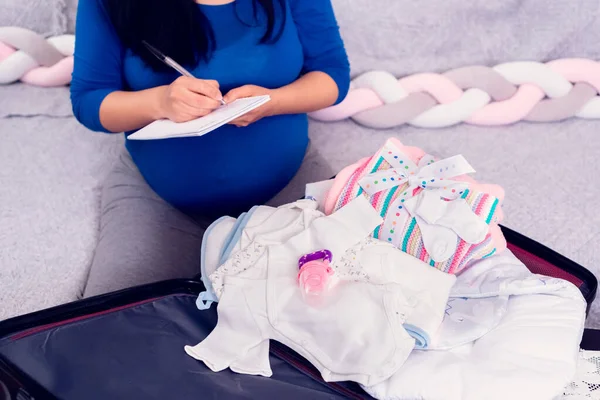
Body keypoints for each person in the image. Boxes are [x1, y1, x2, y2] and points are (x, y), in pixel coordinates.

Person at [70, 0, 350, 297]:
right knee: (110, 326)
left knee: (348, 306)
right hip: (158, 199)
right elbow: (88, 100)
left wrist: (272, 102)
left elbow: (333, 74)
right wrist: (160, 102)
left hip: (290, 186)